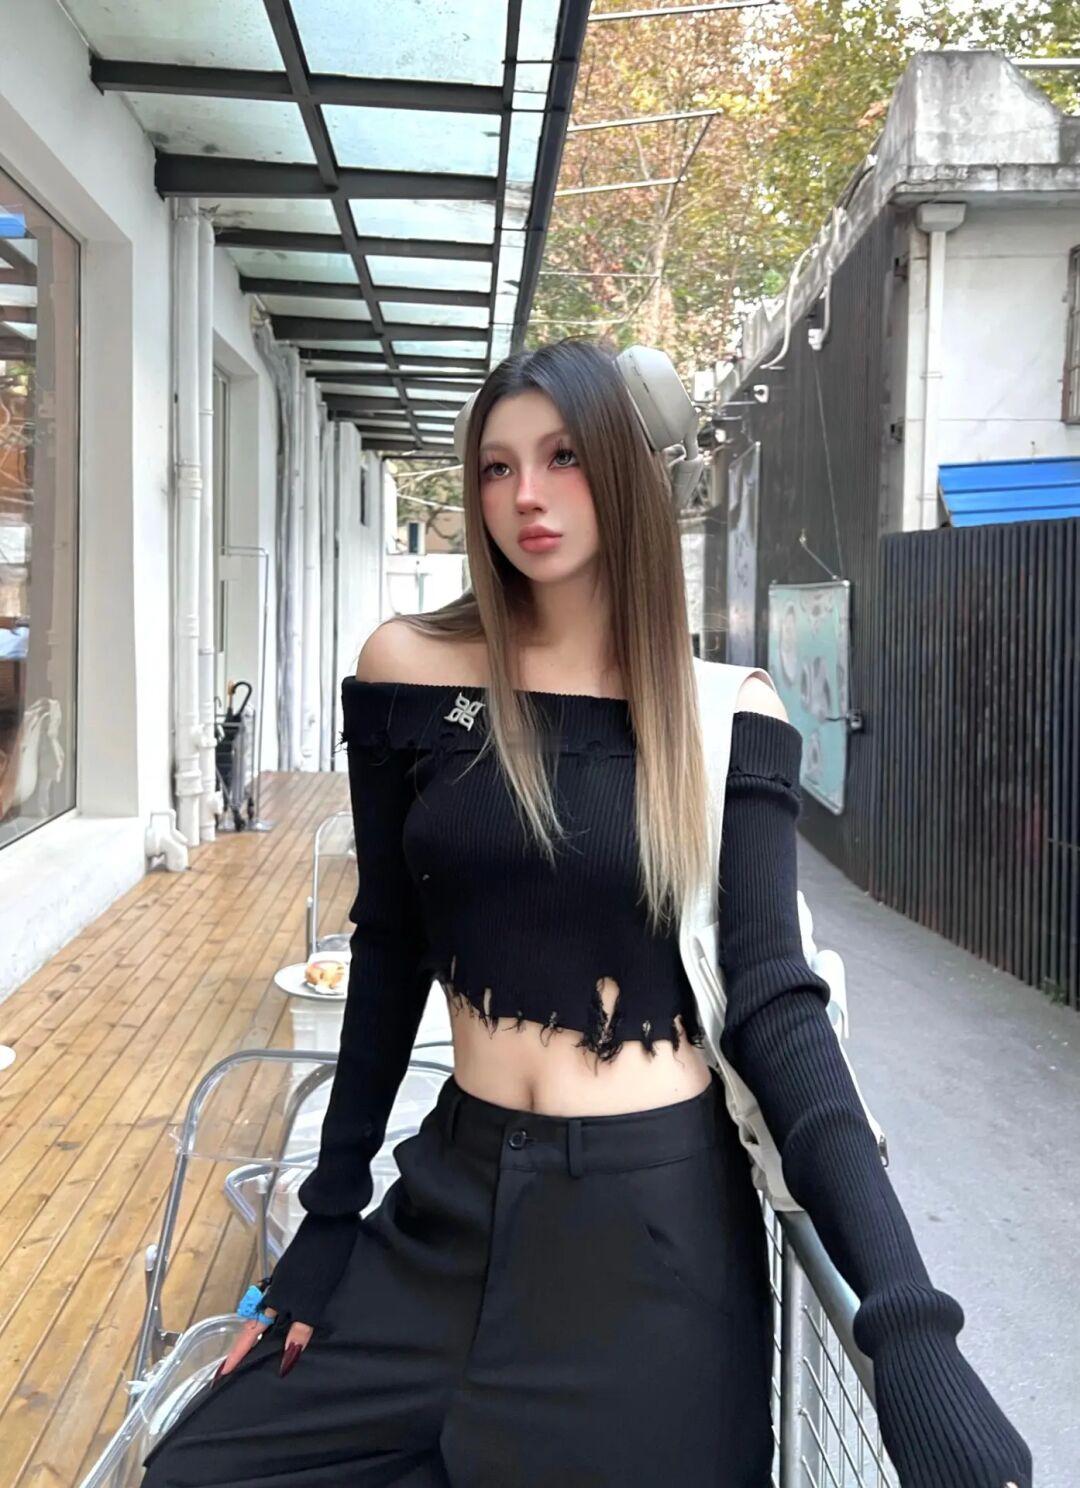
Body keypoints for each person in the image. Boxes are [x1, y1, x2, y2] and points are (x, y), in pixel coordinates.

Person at [140, 339, 1031, 1488]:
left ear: (623, 470)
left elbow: (777, 1007)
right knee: (197, 1471)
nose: (528, 494)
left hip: (652, 1240)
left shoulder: (725, 715)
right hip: (449, 1203)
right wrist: (327, 1220)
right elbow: (392, 944)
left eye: (562, 457)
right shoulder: (410, 671)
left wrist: (911, 1331)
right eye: (497, 466)